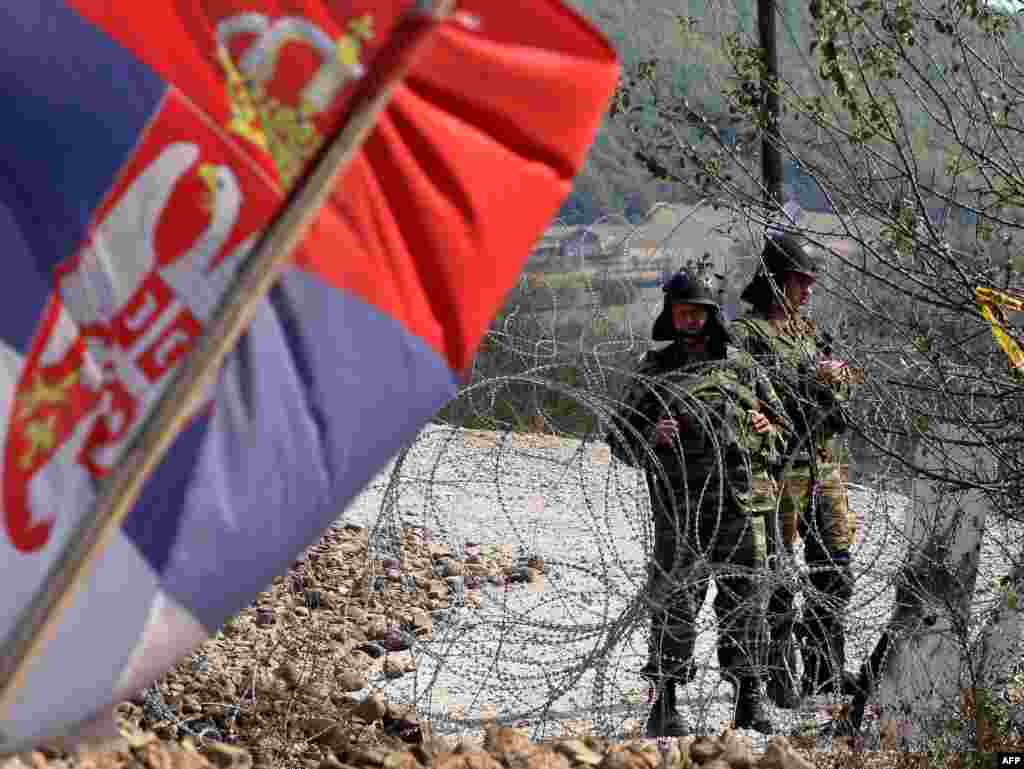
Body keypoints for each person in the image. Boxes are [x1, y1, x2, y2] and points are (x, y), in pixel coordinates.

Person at [607, 268, 792, 737]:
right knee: (675, 604)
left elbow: (786, 433)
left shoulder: (742, 367)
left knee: (747, 602)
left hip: (741, 506)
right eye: (681, 313)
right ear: (671, 317)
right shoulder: (656, 369)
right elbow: (617, 436)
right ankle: (665, 702)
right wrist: (650, 436)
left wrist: (766, 433)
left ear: (712, 317)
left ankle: (748, 699)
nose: (690, 322)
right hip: (681, 508)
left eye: (698, 313)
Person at [731, 233, 859, 709]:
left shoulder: (814, 334)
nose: (807, 292)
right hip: (780, 471)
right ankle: (780, 675)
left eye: (809, 283)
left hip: (823, 466)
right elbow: (741, 394)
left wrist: (836, 385)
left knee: (835, 571)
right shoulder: (747, 336)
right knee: (780, 577)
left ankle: (824, 671)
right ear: (774, 282)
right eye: (799, 282)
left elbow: (843, 388)